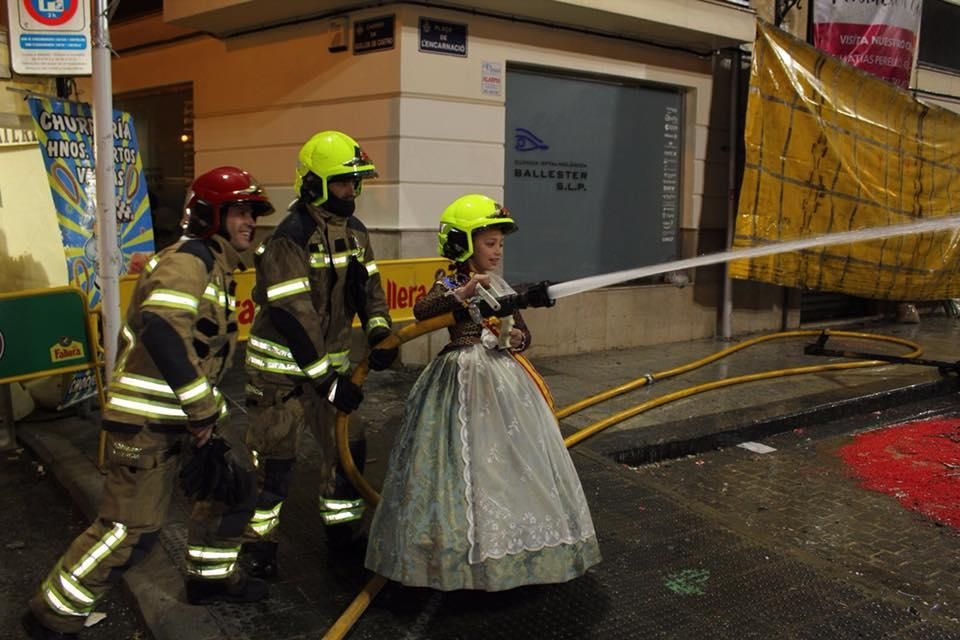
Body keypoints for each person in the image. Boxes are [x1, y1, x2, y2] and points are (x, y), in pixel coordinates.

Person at [23, 166, 275, 640]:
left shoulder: (215, 265)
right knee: (129, 532)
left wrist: (203, 418)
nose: (249, 222)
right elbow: (162, 329)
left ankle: (210, 581)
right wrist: (201, 411)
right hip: (145, 426)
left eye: (252, 213)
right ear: (209, 215)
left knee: (229, 491)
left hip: (178, 421)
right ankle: (51, 617)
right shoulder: (190, 261)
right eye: (239, 212)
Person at [365, 194, 600, 591]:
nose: (497, 251)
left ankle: (523, 551)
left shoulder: (503, 285)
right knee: (461, 460)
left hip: (503, 377)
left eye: (500, 244)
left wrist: (516, 337)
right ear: (463, 244)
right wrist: (462, 294)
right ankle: (453, 556)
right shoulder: (452, 281)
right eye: (489, 243)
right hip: (461, 377)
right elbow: (423, 311)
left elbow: (523, 331)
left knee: (515, 458)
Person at [241, 130, 396, 578]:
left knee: (348, 455)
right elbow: (294, 316)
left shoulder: (356, 232)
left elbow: (369, 289)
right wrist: (327, 382)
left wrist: (380, 331)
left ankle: (342, 539)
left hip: (332, 373)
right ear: (315, 184)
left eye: (356, 181)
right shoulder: (290, 238)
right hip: (281, 380)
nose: (353, 190)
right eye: (344, 182)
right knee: (276, 466)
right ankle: (258, 548)